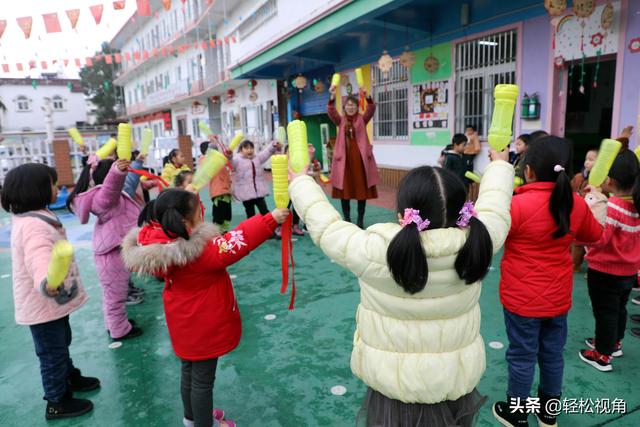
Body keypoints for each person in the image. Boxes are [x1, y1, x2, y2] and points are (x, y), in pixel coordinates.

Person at [289, 146, 515, 426]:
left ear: (401, 214)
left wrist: (300, 182)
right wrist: (501, 166)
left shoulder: (375, 250)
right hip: (454, 380)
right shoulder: (479, 239)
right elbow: (496, 205)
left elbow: (327, 227)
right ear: (463, 213)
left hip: (393, 385)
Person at [122, 188, 289, 427]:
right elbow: (237, 241)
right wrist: (270, 219)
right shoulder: (199, 252)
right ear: (185, 220)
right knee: (202, 382)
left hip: (183, 322)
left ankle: (191, 419)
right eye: (198, 210)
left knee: (189, 372)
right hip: (204, 326)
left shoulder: (158, 242)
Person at [493, 136, 603, 427]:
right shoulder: (576, 204)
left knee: (522, 355)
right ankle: (548, 412)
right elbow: (596, 236)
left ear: (528, 171)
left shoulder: (516, 205)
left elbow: (490, 234)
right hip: (557, 299)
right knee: (552, 355)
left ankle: (517, 413)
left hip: (521, 299)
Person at [1, 163, 99, 420]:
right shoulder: (34, 227)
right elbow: (39, 257)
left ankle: (68, 377)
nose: (58, 188)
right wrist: (48, 280)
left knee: (60, 343)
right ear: (36, 190)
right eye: (52, 184)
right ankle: (57, 401)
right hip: (43, 303)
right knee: (52, 353)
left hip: (50, 306)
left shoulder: (35, 216)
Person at [67, 157, 143, 340]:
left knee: (114, 293)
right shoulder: (105, 197)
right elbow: (111, 188)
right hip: (112, 254)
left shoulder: (108, 197)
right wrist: (116, 172)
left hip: (114, 250)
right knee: (115, 296)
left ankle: (115, 324)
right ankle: (119, 330)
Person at [578, 149, 640, 370]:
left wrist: (593, 204)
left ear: (609, 180)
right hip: (629, 272)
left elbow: (599, 239)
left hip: (605, 272)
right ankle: (614, 343)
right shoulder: (636, 205)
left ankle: (602, 356)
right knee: (619, 309)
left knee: (605, 313)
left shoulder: (612, 207)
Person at [327, 85, 379, 229]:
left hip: (360, 162)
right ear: (344, 107)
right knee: (345, 192)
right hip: (344, 162)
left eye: (353, 105)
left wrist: (367, 96)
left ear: (357, 107)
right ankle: (347, 219)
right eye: (348, 105)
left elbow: (371, 108)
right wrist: (331, 97)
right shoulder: (341, 120)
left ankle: (360, 220)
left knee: (361, 192)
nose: (351, 107)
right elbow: (331, 112)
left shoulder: (362, 119)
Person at [231, 139, 280, 219]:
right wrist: (229, 156)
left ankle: (271, 227)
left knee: (264, 211)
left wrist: (273, 146)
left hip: (258, 193)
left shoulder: (257, 158)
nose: (249, 150)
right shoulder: (237, 160)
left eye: (251, 148)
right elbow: (230, 163)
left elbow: (266, 152)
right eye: (246, 148)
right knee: (250, 214)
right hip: (246, 193)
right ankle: (253, 230)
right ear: (241, 150)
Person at [200, 138, 233, 232]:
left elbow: (228, 159)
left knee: (227, 216)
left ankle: (224, 232)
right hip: (218, 193)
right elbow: (204, 163)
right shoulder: (206, 161)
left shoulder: (221, 161)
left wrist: (228, 152)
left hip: (226, 192)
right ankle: (217, 234)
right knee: (219, 217)